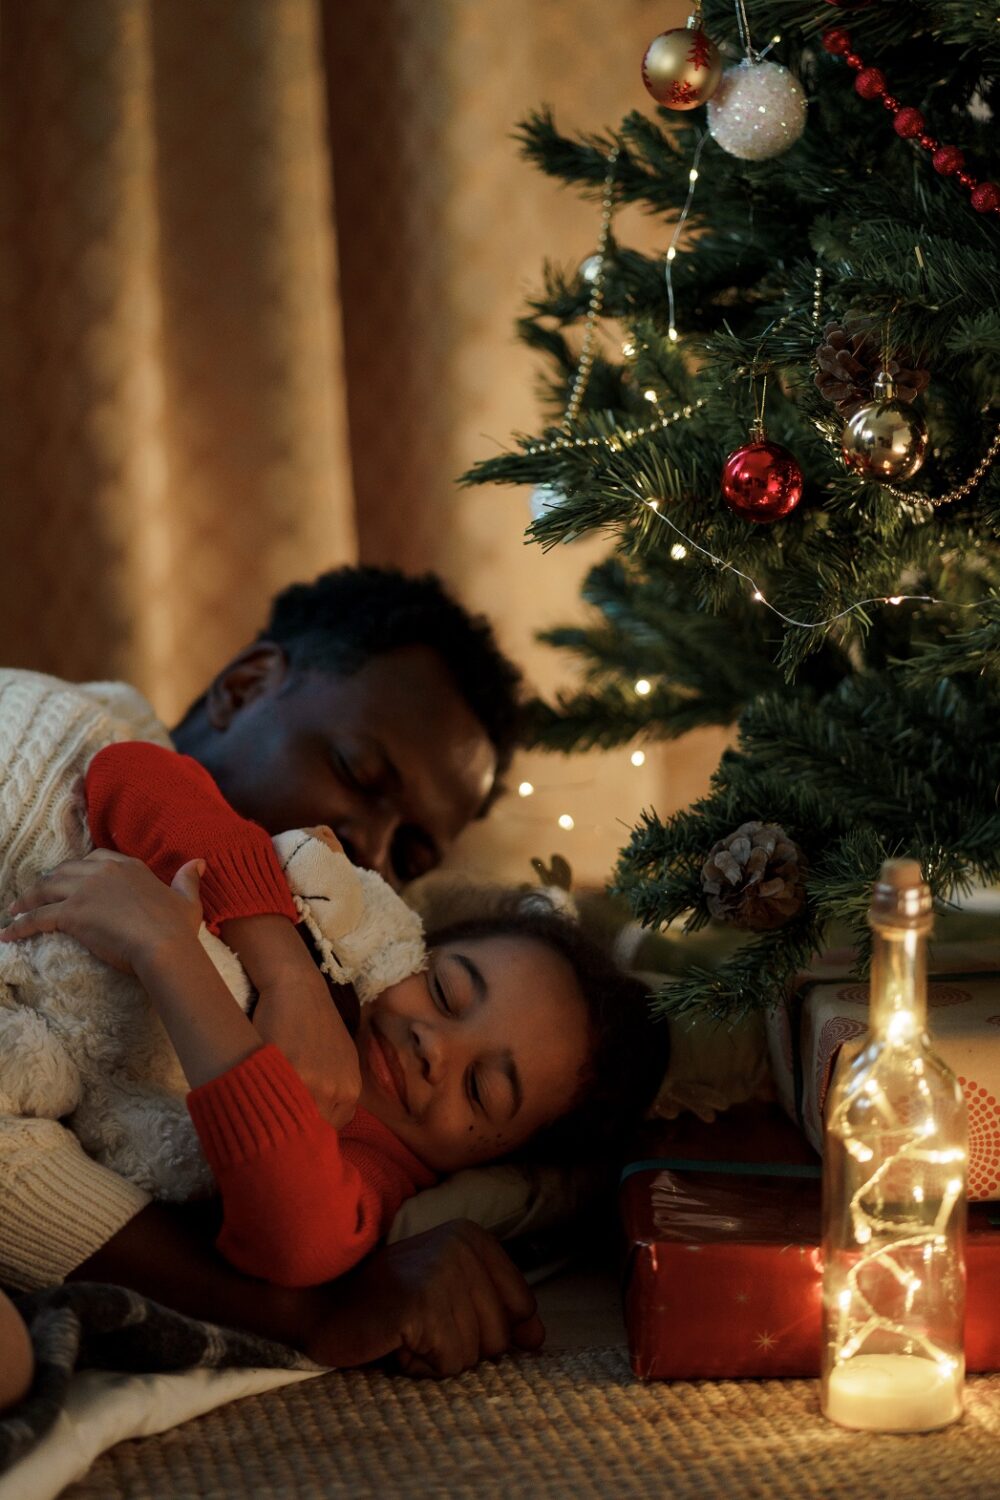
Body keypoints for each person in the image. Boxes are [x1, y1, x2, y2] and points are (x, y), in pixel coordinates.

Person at [0, 565, 547, 1375]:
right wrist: (282, 964)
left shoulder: (331, 1002)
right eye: (359, 772)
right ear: (246, 686)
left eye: (412, 853)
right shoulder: (62, 740)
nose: (370, 847)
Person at [4, 848, 659, 1291]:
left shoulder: (368, 1177)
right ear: (411, 947)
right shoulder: (317, 940)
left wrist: (169, 953)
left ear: (496, 1158)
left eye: (482, 1090)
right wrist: (289, 973)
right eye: (445, 992)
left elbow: (297, 1240)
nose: (436, 1047)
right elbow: (148, 775)